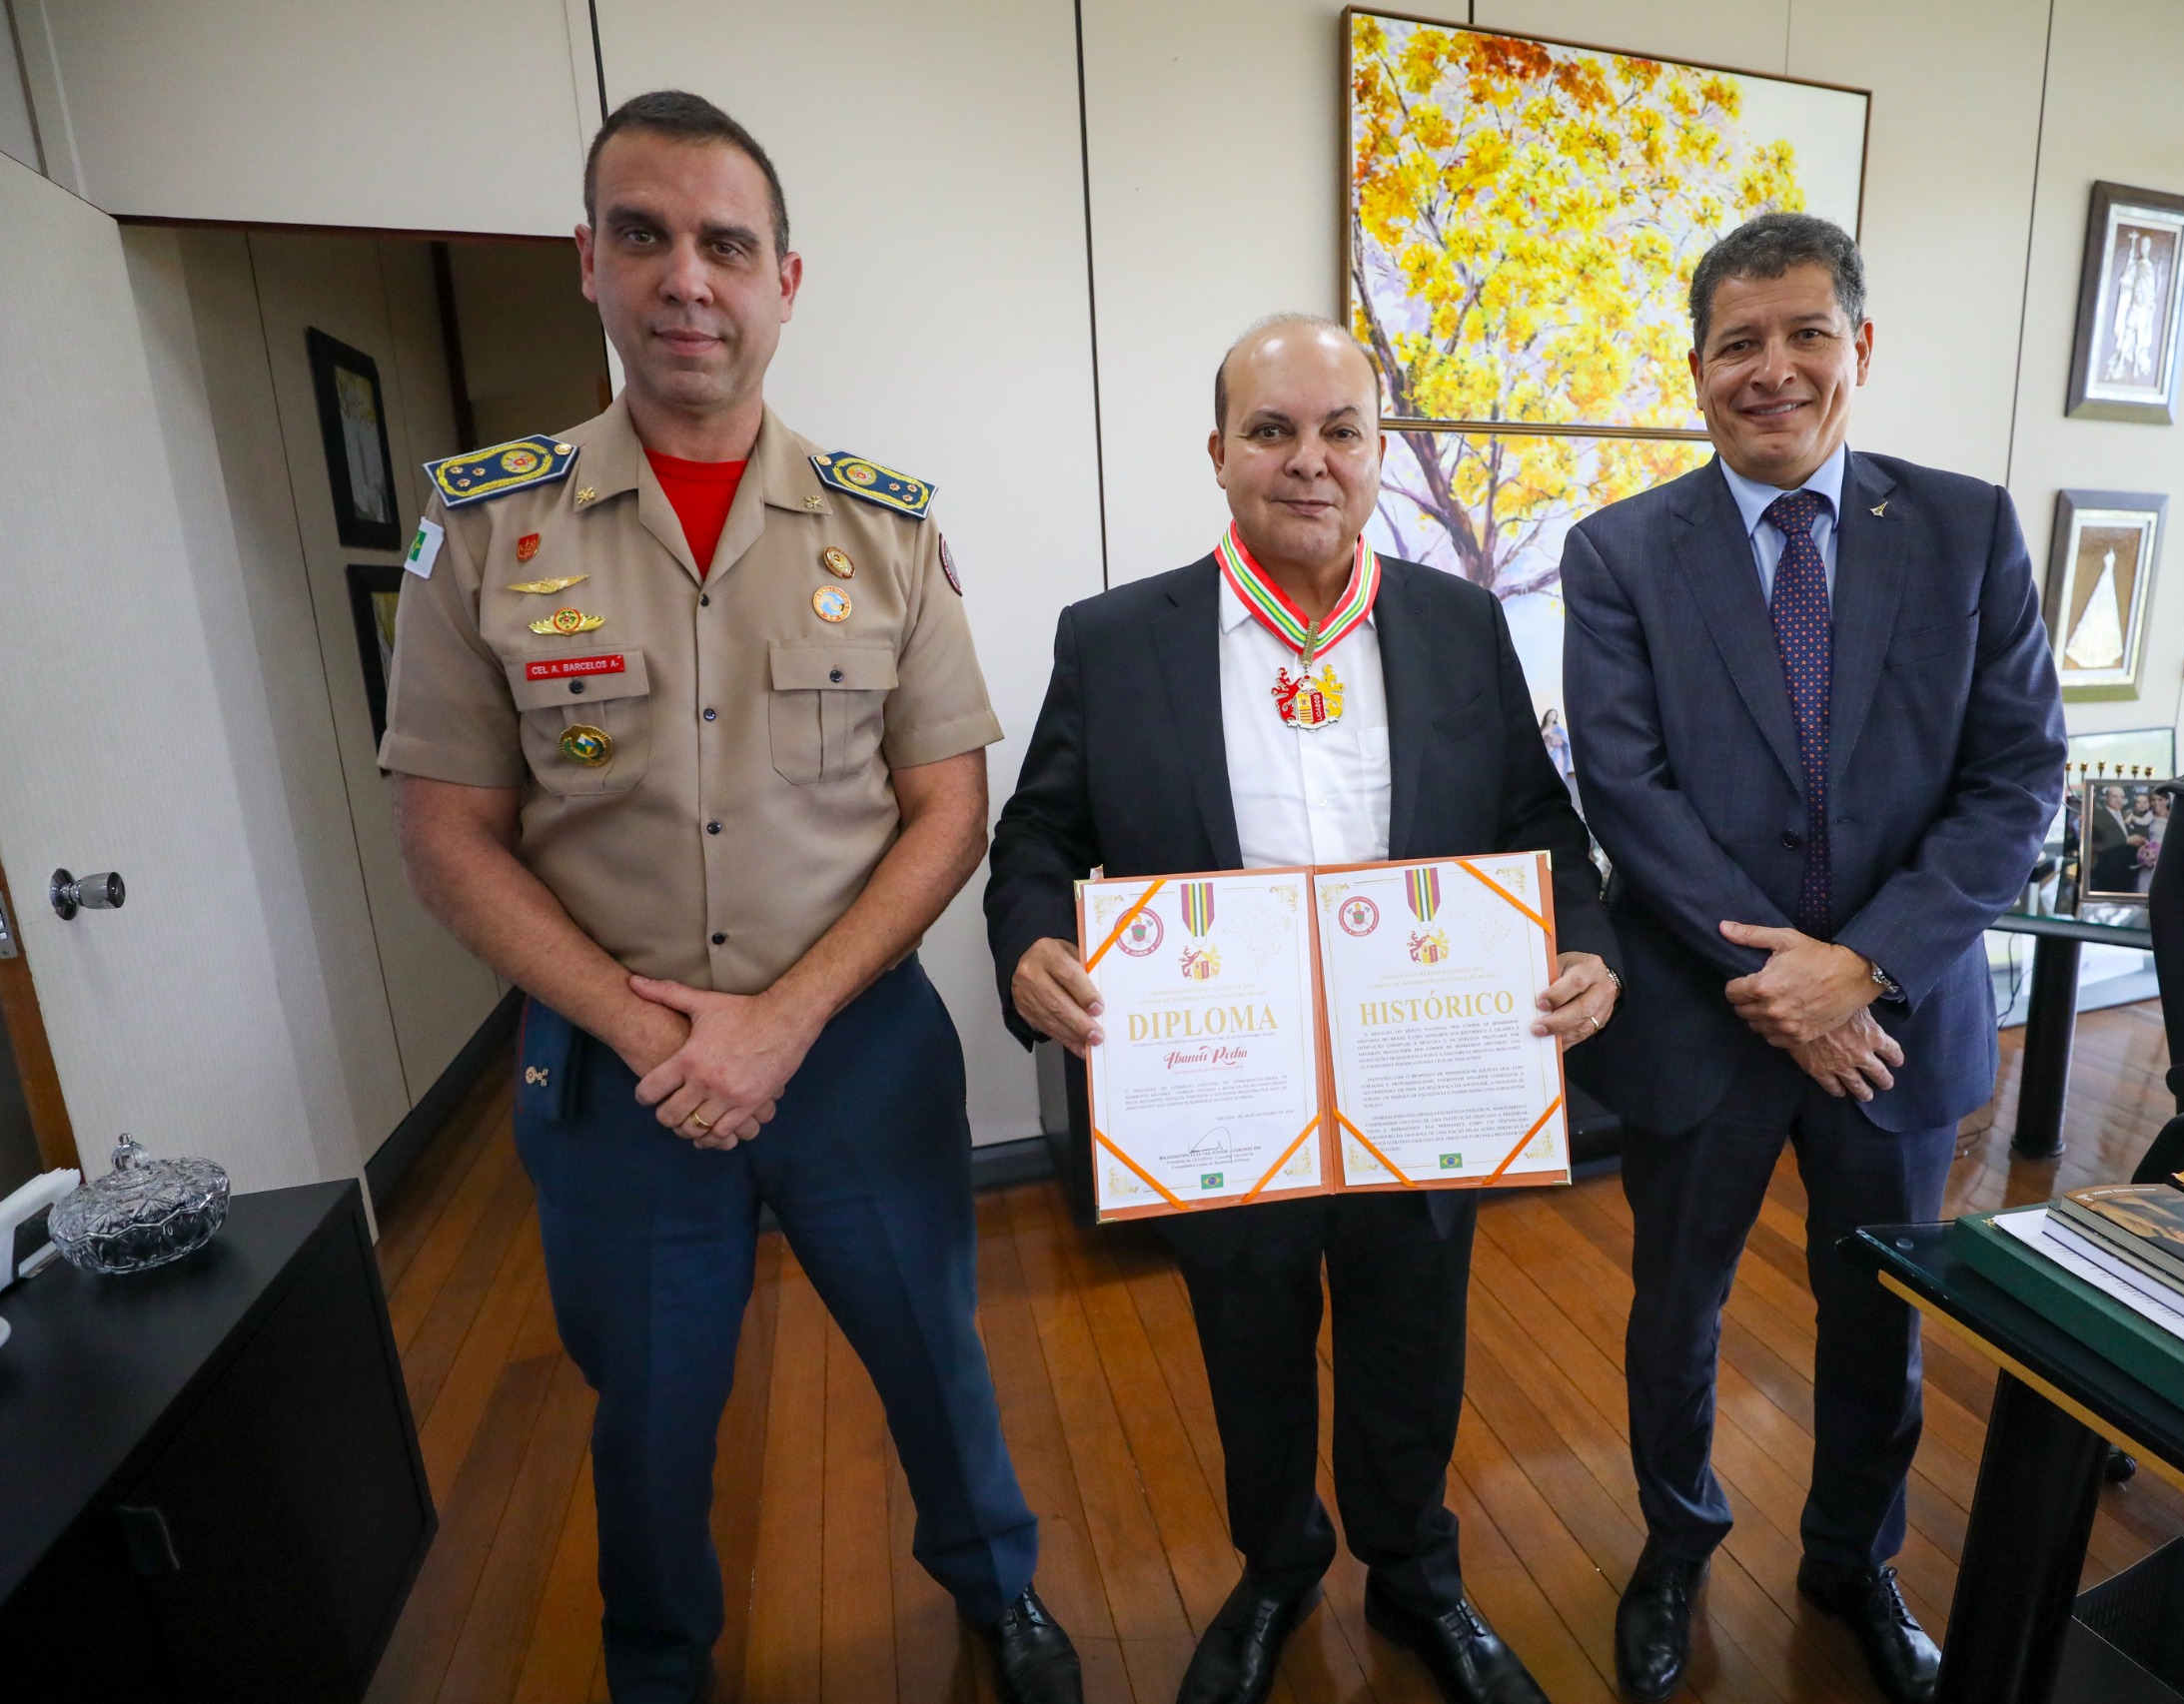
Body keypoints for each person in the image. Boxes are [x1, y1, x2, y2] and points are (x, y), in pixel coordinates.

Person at [381, 91, 1078, 1704]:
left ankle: (1001, 1594)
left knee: (936, 1362)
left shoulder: (884, 527)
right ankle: (659, 1660)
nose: (687, 277)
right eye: (645, 235)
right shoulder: (488, 524)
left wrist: (779, 1022)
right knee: (651, 1405)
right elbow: (447, 837)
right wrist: (659, 1032)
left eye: (725, 244)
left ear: (786, 279)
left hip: (853, 1057)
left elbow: (948, 809)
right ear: (589, 263)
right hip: (619, 1074)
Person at [985, 315, 1619, 1704]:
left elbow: (1539, 821)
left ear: (1381, 451)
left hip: (1423, 1080)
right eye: (1273, 430)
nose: (1310, 460)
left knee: (1412, 1347)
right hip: (1226, 1088)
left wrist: (1586, 943)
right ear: (1217, 454)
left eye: (1342, 430)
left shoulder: (1458, 623)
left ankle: (1415, 1579)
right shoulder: (1115, 638)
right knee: (1253, 1354)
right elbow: (1035, 835)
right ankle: (1277, 1569)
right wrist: (1032, 941)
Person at [1561, 214, 2066, 1704]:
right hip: (1702, 1023)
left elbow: (2017, 774)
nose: (1771, 370)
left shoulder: (1968, 528)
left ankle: (1854, 1557)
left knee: (1880, 1317)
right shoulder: (1619, 553)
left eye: (1803, 334)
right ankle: (1676, 1539)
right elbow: (1626, 790)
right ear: (1697, 367)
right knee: (1678, 1313)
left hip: (1896, 1023)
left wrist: (1866, 966)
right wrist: (1790, 989)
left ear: (1860, 347)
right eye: (1737, 343)